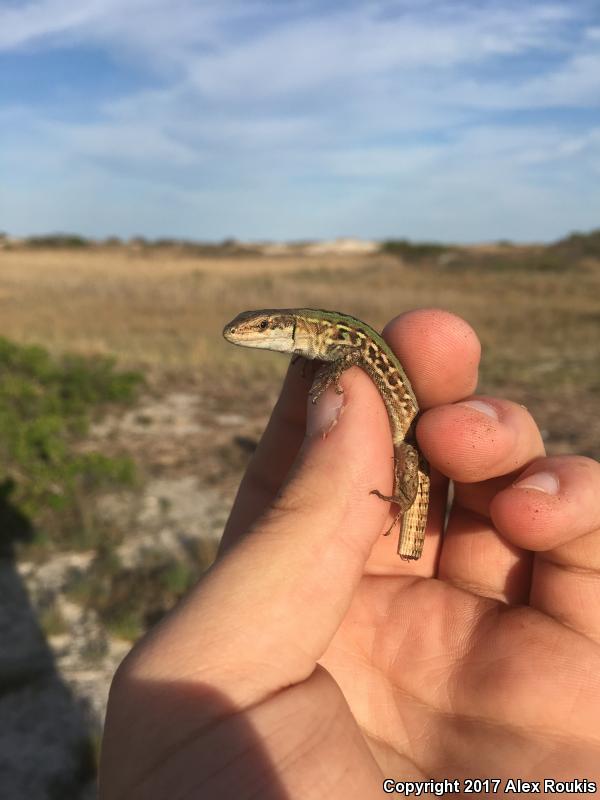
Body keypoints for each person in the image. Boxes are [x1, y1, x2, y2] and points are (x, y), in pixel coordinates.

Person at [99, 309, 600, 799]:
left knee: (414, 459)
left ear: (290, 328)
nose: (247, 335)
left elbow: (345, 357)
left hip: (409, 431)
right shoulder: (320, 345)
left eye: (261, 329)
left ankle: (404, 500)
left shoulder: (336, 344)